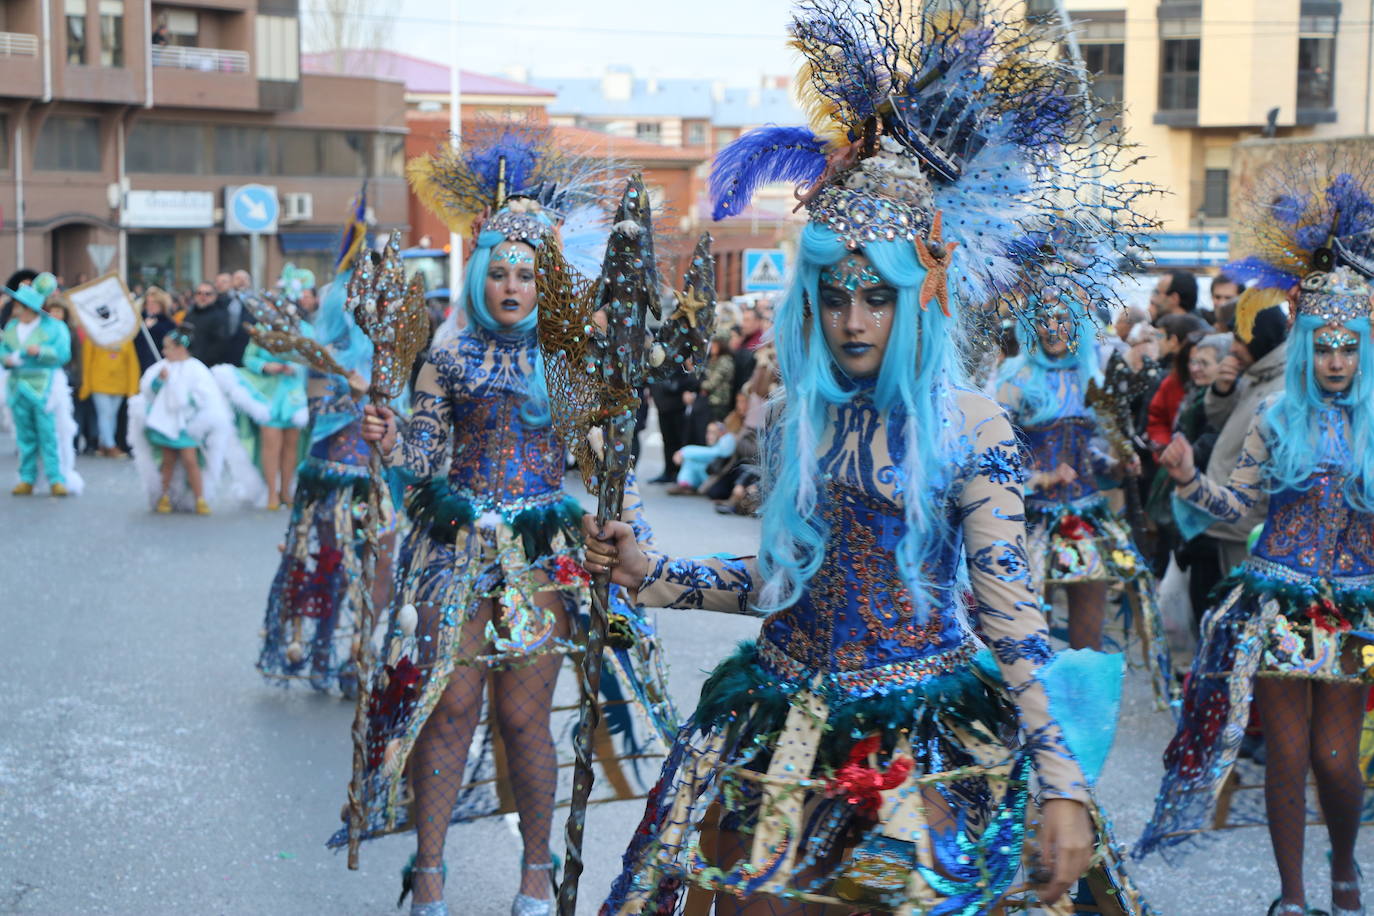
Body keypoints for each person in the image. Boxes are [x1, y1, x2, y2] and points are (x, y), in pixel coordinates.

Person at [588, 4, 1158, 909]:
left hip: (922, 732)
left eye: (878, 296)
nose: (854, 319)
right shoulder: (788, 421)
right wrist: (655, 573)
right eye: (835, 294)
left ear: (919, 298)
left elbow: (1013, 622)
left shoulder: (972, 426)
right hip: (779, 718)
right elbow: (786, 579)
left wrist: (1063, 785)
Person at [341, 128, 669, 916]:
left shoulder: (572, 363)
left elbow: (603, 464)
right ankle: (428, 872)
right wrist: (393, 440)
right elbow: (424, 454)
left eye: (527, 272)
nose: (512, 285)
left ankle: (533, 874)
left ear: (545, 279)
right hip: (454, 546)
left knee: (525, 719)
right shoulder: (445, 357)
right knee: (447, 702)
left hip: (542, 556)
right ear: (480, 276)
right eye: (500, 271)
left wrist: (619, 498)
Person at [1140, 265, 1371, 916]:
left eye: (1347, 344)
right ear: (1304, 348)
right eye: (1322, 345)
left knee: (1334, 760)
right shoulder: (1275, 416)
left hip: (1353, 614)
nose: (1334, 360)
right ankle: (1293, 897)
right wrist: (1188, 479)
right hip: (1276, 601)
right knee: (1289, 757)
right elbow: (1239, 507)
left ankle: (1346, 862)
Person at [256, 196, 383, 694]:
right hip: (333, 468)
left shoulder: (380, 344)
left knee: (371, 563)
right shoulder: (331, 350)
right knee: (332, 562)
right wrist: (349, 388)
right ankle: (327, 652)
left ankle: (356, 654)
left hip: (374, 468)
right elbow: (329, 396)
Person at [1196, 286, 1290, 575]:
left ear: (1259, 336)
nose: (1233, 347)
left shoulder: (1283, 386)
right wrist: (1222, 390)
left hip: (1248, 529)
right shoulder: (1255, 374)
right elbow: (1220, 421)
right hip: (1227, 521)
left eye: (1239, 337)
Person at [127, 324, 261, 514]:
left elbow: (204, 395)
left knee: (191, 461)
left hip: (187, 424)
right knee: (168, 461)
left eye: (168, 347)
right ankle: (163, 496)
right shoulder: (161, 367)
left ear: (181, 348)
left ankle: (200, 497)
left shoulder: (196, 369)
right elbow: (150, 391)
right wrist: (160, 381)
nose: (164, 351)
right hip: (167, 422)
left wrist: (187, 399)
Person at [212, 271, 310, 509]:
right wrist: (268, 365)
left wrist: (296, 365)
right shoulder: (262, 330)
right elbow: (249, 358)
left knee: (291, 446)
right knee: (271, 444)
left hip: (294, 395)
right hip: (267, 394)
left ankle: (286, 491)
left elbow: (314, 358)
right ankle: (271, 493)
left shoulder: (303, 329)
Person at [1, 273, 82, 496]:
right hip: (17, 386)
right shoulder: (11, 327)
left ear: (29, 308)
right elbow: (4, 350)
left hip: (43, 386)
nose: (15, 308)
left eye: (19, 305)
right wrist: (6, 359)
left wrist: (42, 352)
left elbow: (63, 354)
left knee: (49, 434)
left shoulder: (54, 328)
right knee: (24, 436)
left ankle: (56, 478)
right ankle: (27, 477)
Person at [77, 328, 140, 458]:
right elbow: (87, 361)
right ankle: (110, 445)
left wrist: (132, 387)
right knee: (105, 414)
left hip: (120, 383)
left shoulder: (125, 338)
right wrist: (86, 385)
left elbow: (132, 363)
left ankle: (105, 444)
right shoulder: (93, 336)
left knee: (112, 415)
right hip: (98, 382)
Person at [667, 419, 735, 495]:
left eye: (713, 432)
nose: (709, 436)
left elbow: (714, 453)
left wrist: (684, 452)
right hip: (710, 475)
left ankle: (686, 485)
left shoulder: (727, 441)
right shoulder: (717, 446)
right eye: (708, 432)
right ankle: (685, 484)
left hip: (720, 479)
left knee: (691, 458)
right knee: (690, 461)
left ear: (721, 433)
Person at [135, 286, 177, 370]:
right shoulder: (139, 323)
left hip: (161, 367)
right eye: (148, 303)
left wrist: (156, 327)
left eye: (154, 303)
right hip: (142, 367)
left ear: (161, 305)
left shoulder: (169, 323)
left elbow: (170, 343)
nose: (150, 306)